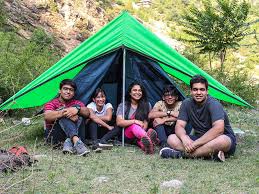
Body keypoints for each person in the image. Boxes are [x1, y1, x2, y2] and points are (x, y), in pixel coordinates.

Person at [160, 75, 236, 161]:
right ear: (191, 91)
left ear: (207, 91)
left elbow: (218, 129)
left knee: (222, 141)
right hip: (199, 139)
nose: (198, 93)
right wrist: (184, 138)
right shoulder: (186, 104)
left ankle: (181, 155)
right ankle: (209, 154)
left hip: (219, 138)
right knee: (171, 138)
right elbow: (179, 126)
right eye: (195, 89)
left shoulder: (214, 104)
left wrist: (195, 144)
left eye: (202, 89)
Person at [44, 79, 109, 156]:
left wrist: (77, 110)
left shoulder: (77, 103)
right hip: (56, 137)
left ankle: (69, 142)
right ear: (59, 91)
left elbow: (87, 112)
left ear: (74, 93)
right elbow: (47, 116)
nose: (68, 92)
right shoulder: (51, 103)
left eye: (71, 90)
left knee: (79, 112)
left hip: (76, 133)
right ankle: (76, 141)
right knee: (64, 115)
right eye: (65, 89)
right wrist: (66, 112)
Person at [116, 81, 159, 154]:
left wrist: (139, 132)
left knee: (141, 141)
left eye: (140, 90)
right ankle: (149, 138)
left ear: (142, 93)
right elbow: (119, 122)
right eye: (134, 90)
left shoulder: (147, 105)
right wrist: (134, 121)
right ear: (130, 92)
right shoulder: (123, 105)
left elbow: (145, 124)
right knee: (133, 126)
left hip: (139, 134)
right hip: (126, 135)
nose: (137, 92)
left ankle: (147, 147)